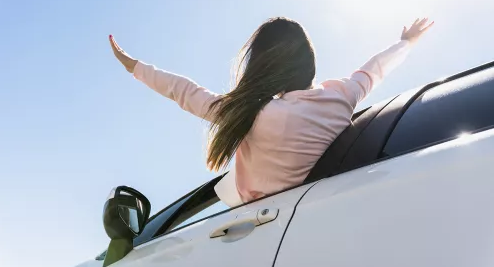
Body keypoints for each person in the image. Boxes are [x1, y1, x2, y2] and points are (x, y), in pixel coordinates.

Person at [109, 17, 434, 205]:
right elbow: (373, 71)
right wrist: (405, 43)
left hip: (260, 224)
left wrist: (134, 67)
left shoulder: (256, 116)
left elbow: (185, 92)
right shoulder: (343, 96)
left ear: (264, 66)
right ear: (309, 60)